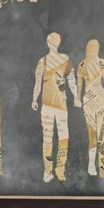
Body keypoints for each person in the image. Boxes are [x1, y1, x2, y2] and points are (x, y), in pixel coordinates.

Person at [29, 32, 73, 183]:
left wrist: (76, 97)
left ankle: (60, 170)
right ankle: (48, 171)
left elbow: (71, 79)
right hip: (47, 105)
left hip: (61, 105)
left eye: (55, 40)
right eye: (50, 40)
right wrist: (34, 98)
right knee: (48, 138)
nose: (53, 42)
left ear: (58, 42)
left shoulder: (65, 59)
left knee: (63, 137)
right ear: (48, 43)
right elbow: (37, 82)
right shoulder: (43, 61)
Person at [74, 38, 104, 177]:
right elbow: (80, 83)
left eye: (95, 47)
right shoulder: (84, 64)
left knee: (98, 135)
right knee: (95, 135)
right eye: (93, 47)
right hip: (92, 101)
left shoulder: (97, 63)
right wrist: (77, 98)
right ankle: (94, 166)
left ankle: (99, 167)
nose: (94, 50)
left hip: (96, 100)